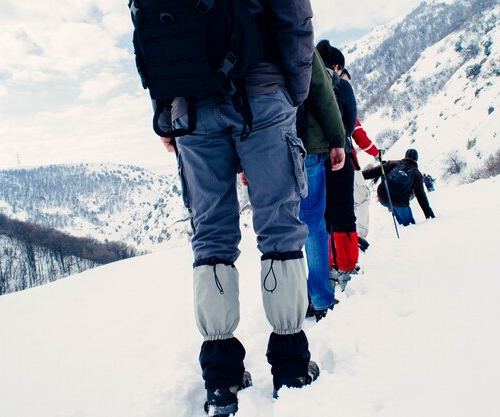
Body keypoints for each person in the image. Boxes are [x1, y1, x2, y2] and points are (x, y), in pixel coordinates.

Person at [140, 0, 319, 412]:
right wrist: (293, 91)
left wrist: (165, 109)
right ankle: (291, 366)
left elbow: (149, 33)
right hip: (262, 95)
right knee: (279, 227)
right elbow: (295, 18)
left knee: (211, 237)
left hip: (190, 107)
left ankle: (221, 378)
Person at [297, 50, 346, 321]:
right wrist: (337, 139)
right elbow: (321, 91)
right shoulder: (293, 26)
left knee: (278, 229)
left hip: (263, 148)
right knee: (313, 222)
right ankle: (319, 298)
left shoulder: (238, 23)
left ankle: (287, 303)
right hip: (306, 142)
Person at [315, 39, 359, 291]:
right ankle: (346, 267)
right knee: (344, 212)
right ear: (337, 65)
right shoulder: (341, 85)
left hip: (312, 158)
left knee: (321, 216)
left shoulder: (306, 81)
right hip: (340, 156)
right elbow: (350, 122)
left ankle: (326, 267)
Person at [340, 68, 380, 253]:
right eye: (346, 82)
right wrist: (376, 152)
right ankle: (359, 236)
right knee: (362, 197)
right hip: (346, 161)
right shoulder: (343, 106)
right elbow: (359, 136)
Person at [363, 149, 436, 226]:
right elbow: (421, 196)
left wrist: (357, 175)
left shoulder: (393, 163)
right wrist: (429, 214)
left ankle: (400, 224)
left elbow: (373, 171)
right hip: (400, 202)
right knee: (409, 225)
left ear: (405, 156)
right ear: (416, 159)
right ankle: (407, 229)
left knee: (394, 206)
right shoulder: (417, 174)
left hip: (383, 197)